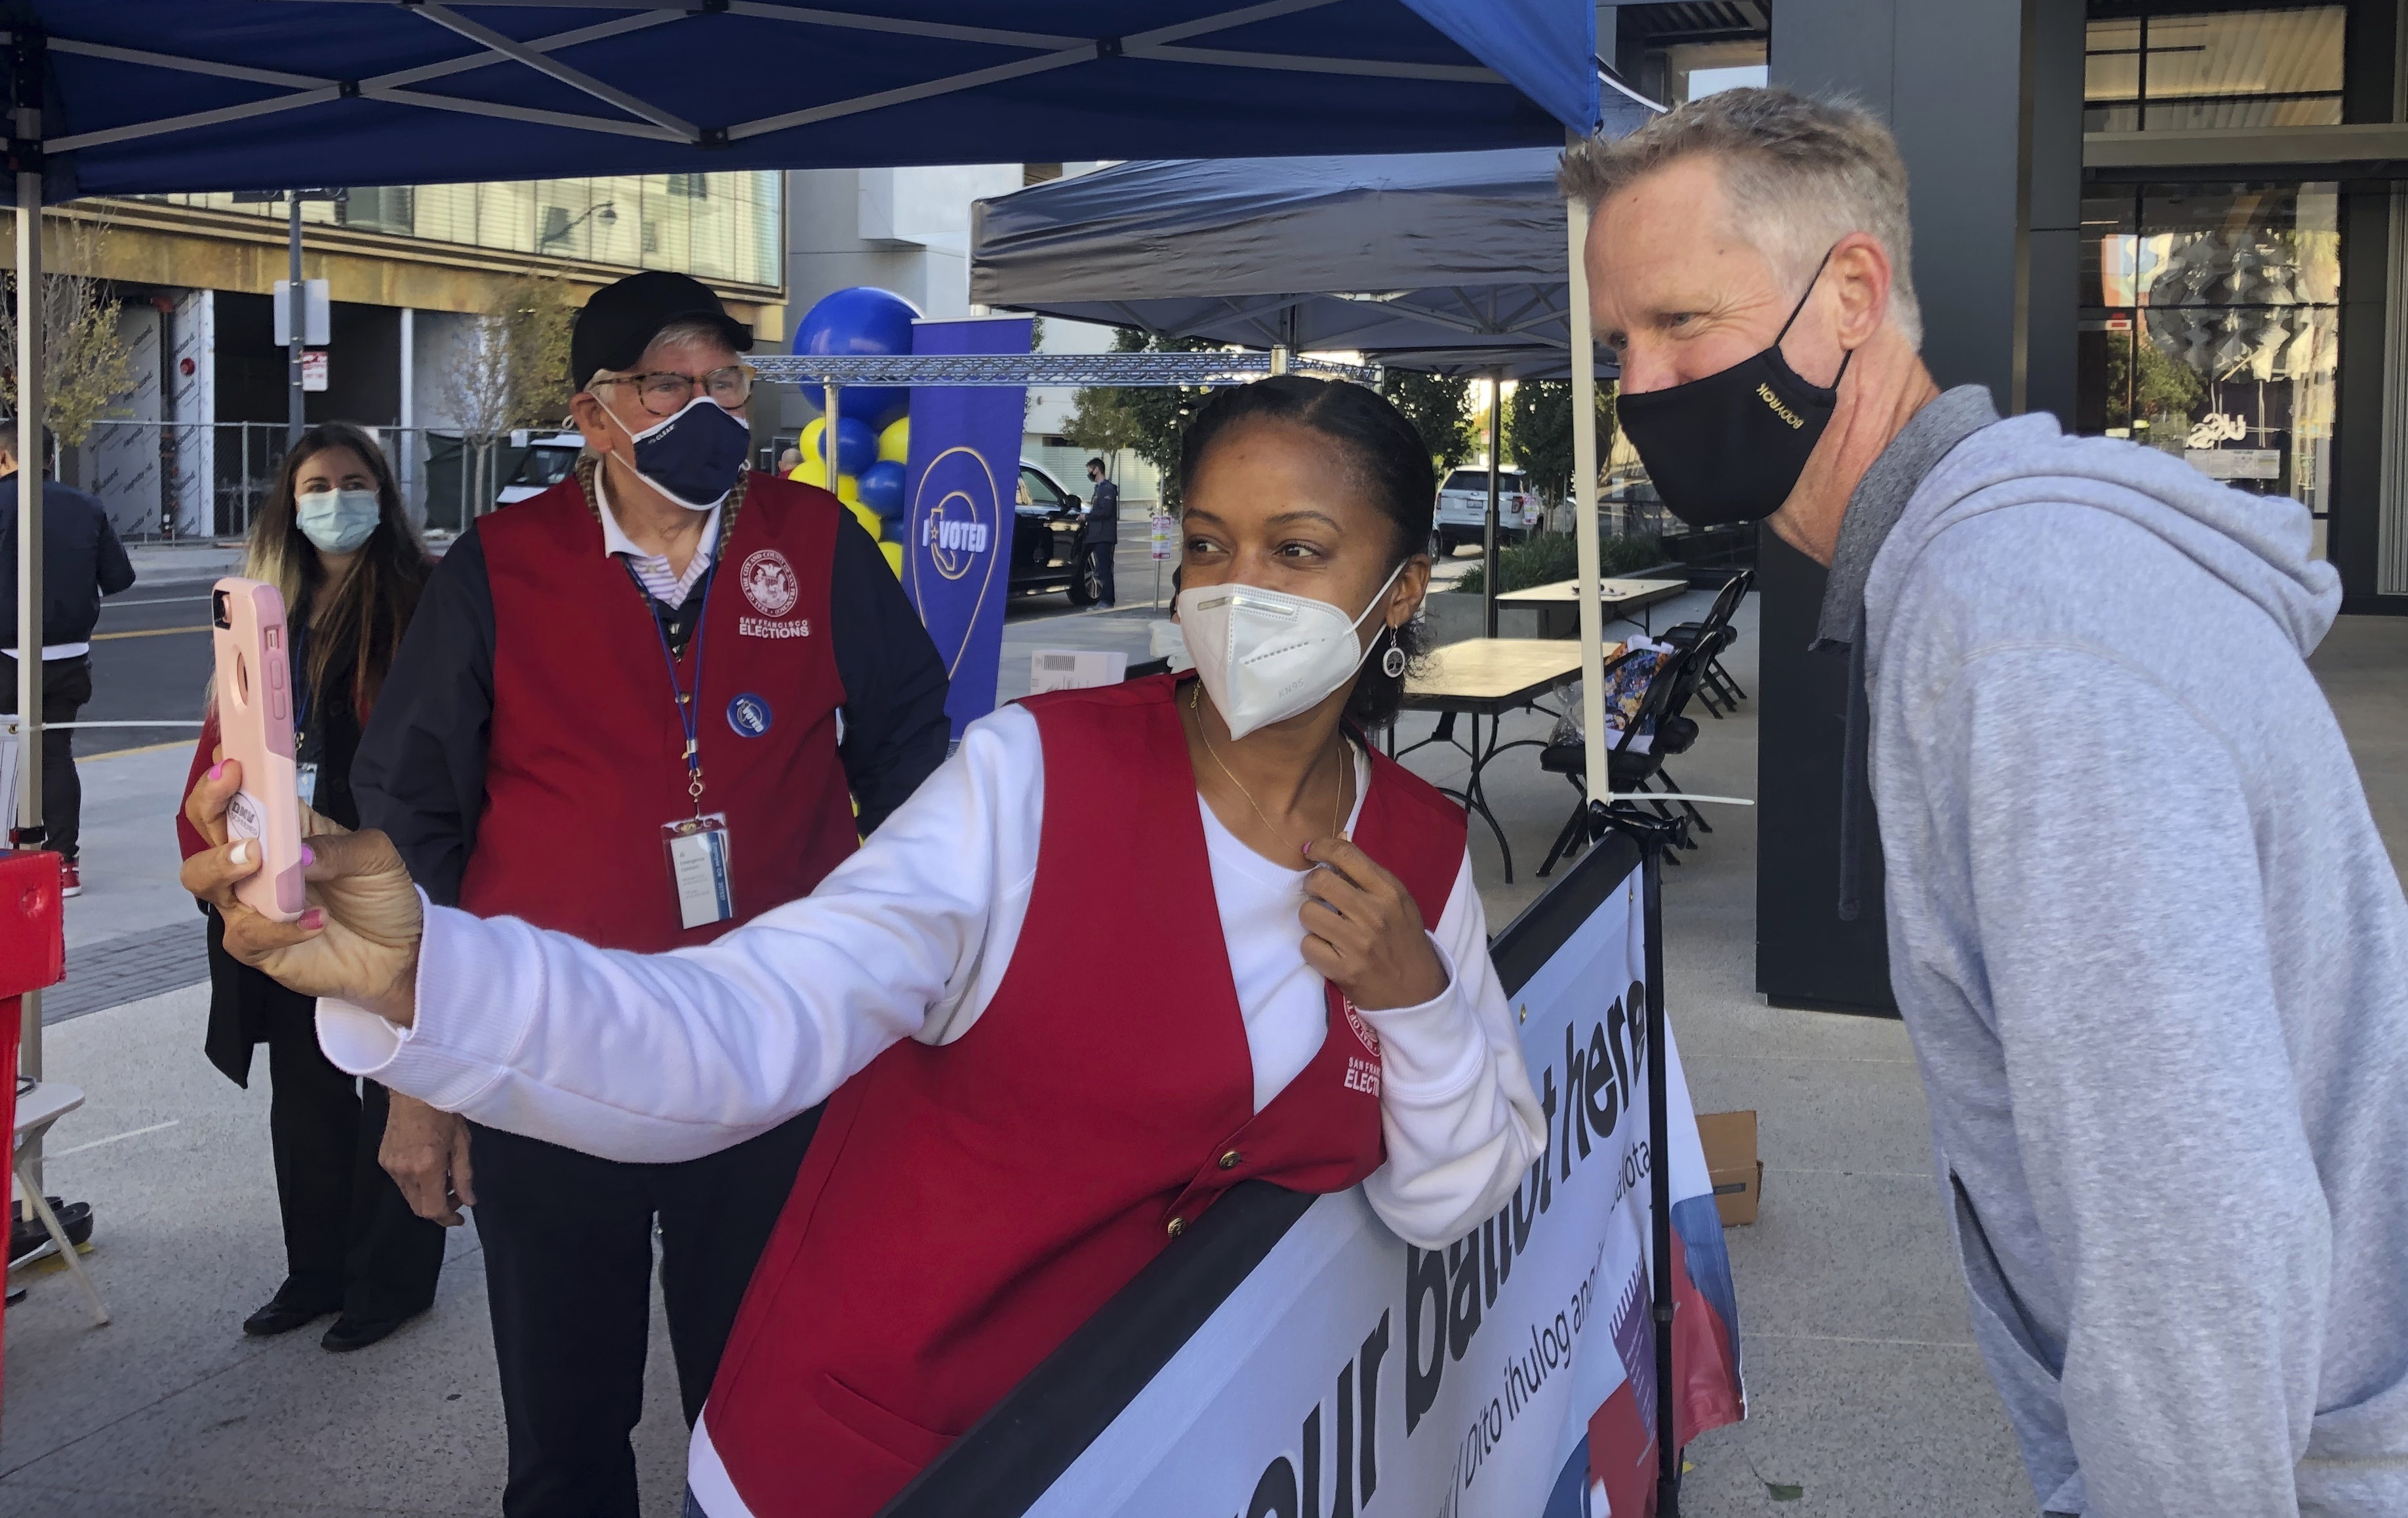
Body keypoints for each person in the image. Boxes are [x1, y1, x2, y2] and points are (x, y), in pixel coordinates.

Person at [186, 374, 1542, 1518]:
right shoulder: (1029, 785)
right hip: (867, 1461)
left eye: (1298, 552)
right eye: (1206, 544)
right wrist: (431, 969)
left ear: (1404, 585)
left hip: (1142, 1468)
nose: (1239, 589)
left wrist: (1416, 1003)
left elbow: (1448, 1196)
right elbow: (732, 1030)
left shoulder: (1416, 853)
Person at [1568, 87, 2408, 1516]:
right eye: (1616, 349)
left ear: (1849, 298)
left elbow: (2192, 1230)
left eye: (1683, 325)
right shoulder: (2004, 579)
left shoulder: (2017, 628)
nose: (1642, 390)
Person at [344, 270, 953, 1518]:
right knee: (565, 1426)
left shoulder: (814, 539)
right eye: (670, 384)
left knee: (773, 1399)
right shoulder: (502, 568)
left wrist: (913, 962)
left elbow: (911, 754)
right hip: (557, 1050)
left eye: (726, 380)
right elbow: (411, 820)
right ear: (595, 412)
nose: (708, 408)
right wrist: (420, 1075)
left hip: (774, 1047)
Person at [179, 423, 445, 1350]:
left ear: (384, 493)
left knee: (391, 1071)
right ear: (290, 505)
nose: (337, 500)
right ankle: (316, 1269)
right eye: (318, 484)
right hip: (284, 867)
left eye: (354, 481)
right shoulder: (264, 606)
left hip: (380, 867)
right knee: (304, 1081)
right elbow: (226, 748)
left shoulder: (423, 599)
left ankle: (394, 1279)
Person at [0, 434, 136, 897]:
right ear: (50, 458)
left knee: (6, 754)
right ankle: (63, 864)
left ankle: (12, 848)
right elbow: (119, 577)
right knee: (55, 754)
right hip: (69, 657)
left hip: (6, 655)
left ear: (3, 456)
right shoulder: (87, 506)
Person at [1079, 452, 1119, 606]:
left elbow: (1105, 511)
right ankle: (1104, 598)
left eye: (1090, 469)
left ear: (1096, 470)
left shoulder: (1107, 489)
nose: (1089, 473)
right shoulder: (1099, 489)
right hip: (1097, 535)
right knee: (1100, 569)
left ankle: (1107, 600)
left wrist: (1087, 517)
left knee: (1104, 569)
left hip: (1104, 536)